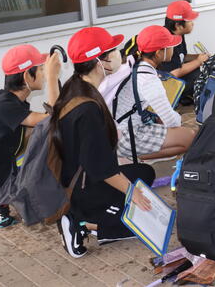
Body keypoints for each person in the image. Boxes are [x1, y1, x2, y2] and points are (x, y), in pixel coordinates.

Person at [53, 27, 154, 257]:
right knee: (141, 218)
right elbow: (101, 169)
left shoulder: (75, 85)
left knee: (145, 173)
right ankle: (82, 222)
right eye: (112, 50)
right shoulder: (87, 109)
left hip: (74, 176)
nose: (117, 54)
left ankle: (92, 214)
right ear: (99, 61)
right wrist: (132, 193)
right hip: (81, 187)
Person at [0, 45, 60, 228]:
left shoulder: (9, 100)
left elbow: (37, 130)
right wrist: (53, 78)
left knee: (46, 144)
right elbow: (53, 120)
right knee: (48, 180)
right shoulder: (5, 106)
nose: (44, 74)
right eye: (41, 70)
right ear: (27, 75)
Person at [114, 25, 196, 161]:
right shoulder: (148, 79)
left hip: (117, 130)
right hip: (126, 136)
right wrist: (180, 120)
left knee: (172, 127)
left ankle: (133, 154)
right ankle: (132, 156)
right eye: (170, 46)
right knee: (190, 136)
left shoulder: (135, 65)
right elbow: (171, 121)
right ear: (158, 53)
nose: (173, 49)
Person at [160, 0, 210, 102]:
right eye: (190, 21)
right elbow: (173, 73)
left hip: (174, 76)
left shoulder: (177, 33)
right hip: (166, 84)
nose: (193, 24)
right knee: (198, 76)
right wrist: (198, 61)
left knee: (196, 69)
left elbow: (182, 56)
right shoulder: (166, 42)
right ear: (178, 25)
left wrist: (198, 57)